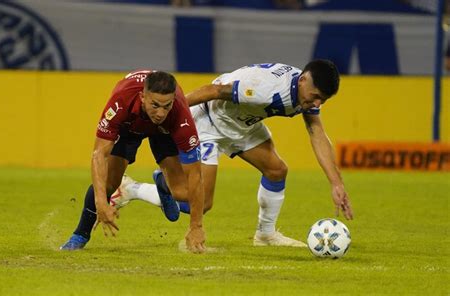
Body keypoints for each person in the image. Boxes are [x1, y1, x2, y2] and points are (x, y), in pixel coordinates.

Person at [112, 60, 354, 247]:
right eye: (315, 97)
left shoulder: (306, 95)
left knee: (277, 170)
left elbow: (317, 133)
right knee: (201, 202)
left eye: (323, 100)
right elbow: (212, 91)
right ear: (303, 81)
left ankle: (266, 235)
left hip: (242, 124)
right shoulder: (265, 89)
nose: (317, 104)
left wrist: (336, 183)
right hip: (210, 119)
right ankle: (133, 189)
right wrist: (173, 112)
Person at [60, 70, 206, 253]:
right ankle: (80, 236)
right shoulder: (122, 101)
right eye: (155, 105)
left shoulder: (179, 114)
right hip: (129, 127)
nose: (160, 113)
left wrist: (196, 226)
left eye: (166, 106)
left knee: (184, 193)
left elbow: (195, 174)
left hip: (164, 131)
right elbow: (99, 155)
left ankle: (163, 183)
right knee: (107, 185)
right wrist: (101, 203)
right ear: (142, 97)